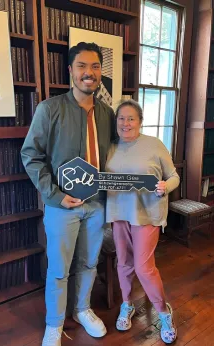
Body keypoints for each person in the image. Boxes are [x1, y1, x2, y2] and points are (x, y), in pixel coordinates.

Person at [21, 42, 115, 346]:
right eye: (82, 66)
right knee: (59, 269)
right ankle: (54, 323)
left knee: (89, 263)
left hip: (97, 204)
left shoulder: (108, 114)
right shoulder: (49, 109)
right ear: (70, 71)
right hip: (62, 206)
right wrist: (56, 195)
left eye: (95, 66)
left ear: (101, 72)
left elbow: (116, 154)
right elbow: (31, 155)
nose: (89, 73)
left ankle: (82, 309)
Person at [105, 99, 179, 344]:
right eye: (121, 119)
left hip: (147, 214)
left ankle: (163, 312)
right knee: (123, 263)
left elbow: (174, 176)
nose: (125, 123)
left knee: (144, 268)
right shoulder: (110, 147)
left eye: (131, 118)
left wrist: (165, 186)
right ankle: (127, 304)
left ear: (140, 121)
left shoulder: (154, 145)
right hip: (118, 213)